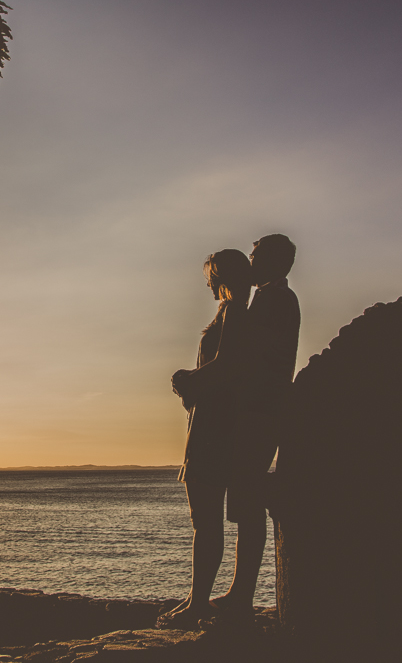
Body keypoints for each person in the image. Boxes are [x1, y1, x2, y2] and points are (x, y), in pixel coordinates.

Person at [158, 248, 253, 629]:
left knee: (205, 519)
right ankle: (197, 597)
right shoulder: (233, 313)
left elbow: (228, 367)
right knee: (206, 520)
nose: (207, 283)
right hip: (212, 421)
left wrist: (187, 380)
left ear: (219, 276)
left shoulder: (233, 313)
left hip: (212, 427)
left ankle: (199, 603)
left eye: (209, 276)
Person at [210, 233, 301, 617]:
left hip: (262, 410)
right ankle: (240, 592)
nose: (250, 260)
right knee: (245, 499)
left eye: (255, 253)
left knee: (247, 500)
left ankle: (241, 594)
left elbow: (249, 352)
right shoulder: (269, 297)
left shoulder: (278, 299)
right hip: (258, 408)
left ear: (275, 261)